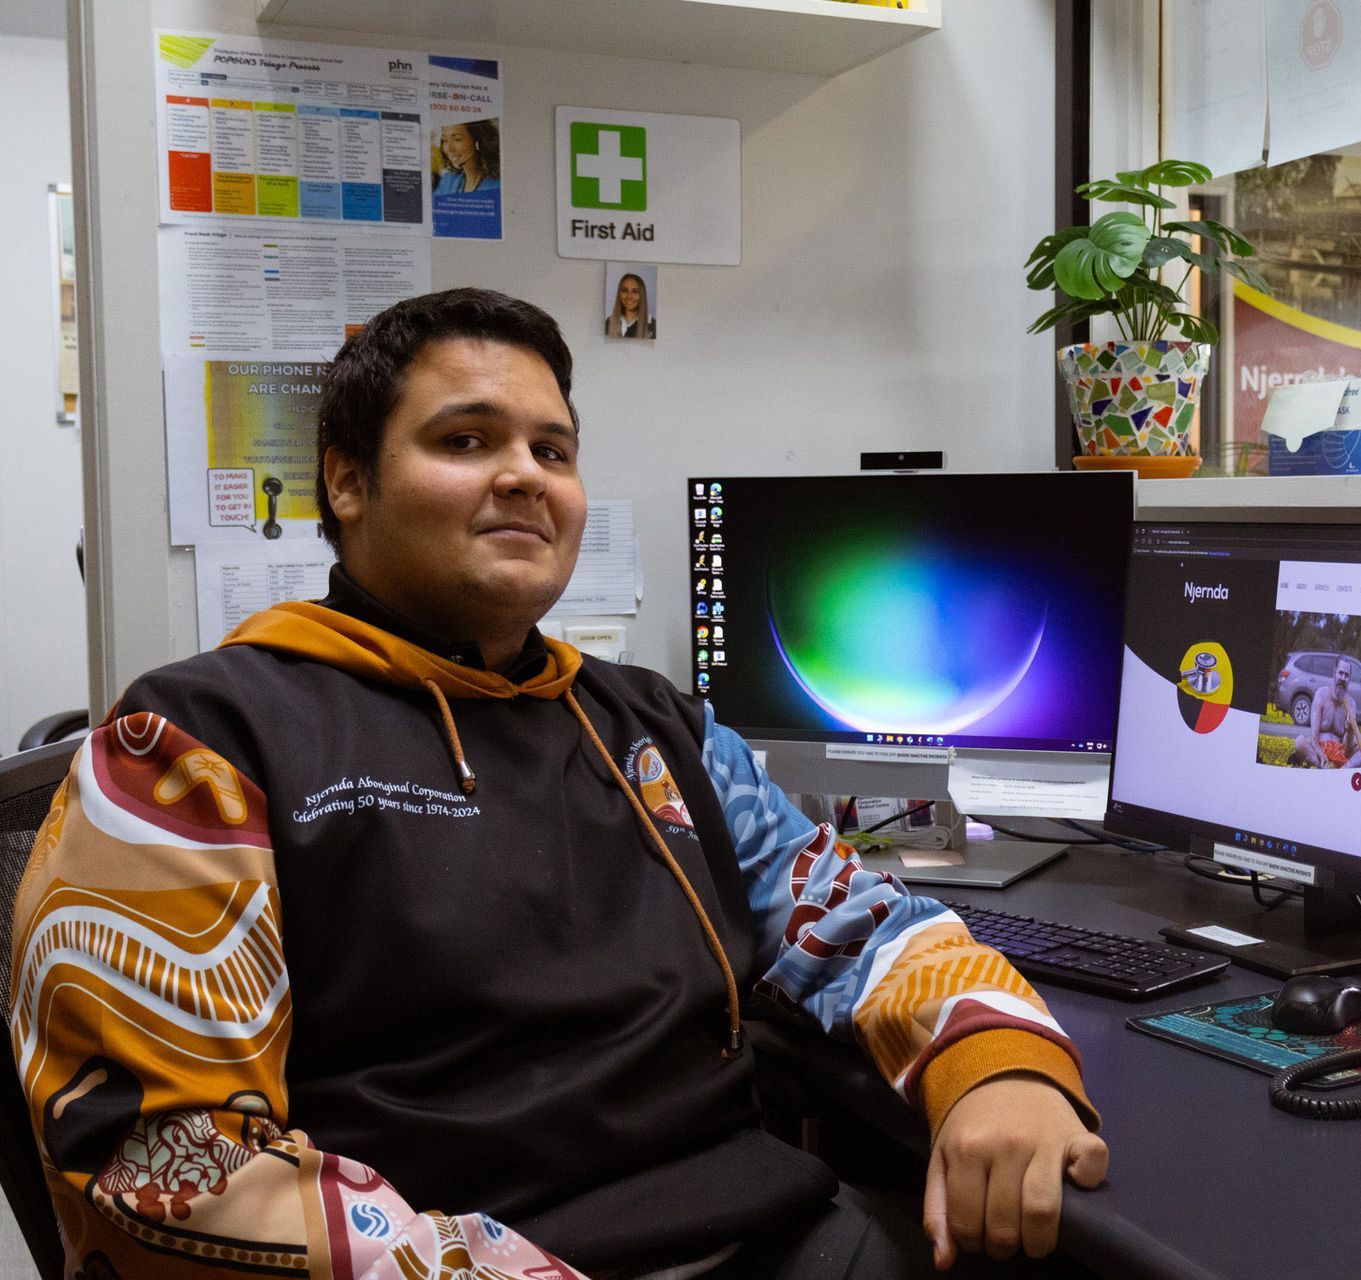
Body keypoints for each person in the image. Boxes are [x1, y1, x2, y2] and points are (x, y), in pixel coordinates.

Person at [11, 289, 1104, 1278]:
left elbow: (863, 923)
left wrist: (997, 1060)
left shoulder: (660, 731)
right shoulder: (195, 745)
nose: (525, 474)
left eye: (553, 448)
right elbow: (167, 1167)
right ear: (346, 481)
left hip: (778, 1233)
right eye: (465, 439)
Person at [1298, 656, 1361, 770]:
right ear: (1334, 673)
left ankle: (1343, 770)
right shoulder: (1321, 695)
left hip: (1341, 756)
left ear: (1349, 679)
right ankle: (1324, 768)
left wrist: (1349, 731)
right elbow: (1314, 737)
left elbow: (1348, 751)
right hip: (1320, 754)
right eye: (1340, 673)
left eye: (1346, 675)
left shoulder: (1351, 704)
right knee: (1299, 742)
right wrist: (1320, 754)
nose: (1343, 678)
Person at [433, 119, 500, 195]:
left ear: (477, 140)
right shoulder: (447, 180)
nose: (449, 148)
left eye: (457, 139)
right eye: (445, 140)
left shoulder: (498, 183)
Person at [606, 271, 653, 339]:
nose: (629, 296)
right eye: (624, 290)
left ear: (642, 295)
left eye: (635, 291)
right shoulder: (609, 322)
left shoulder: (652, 325)